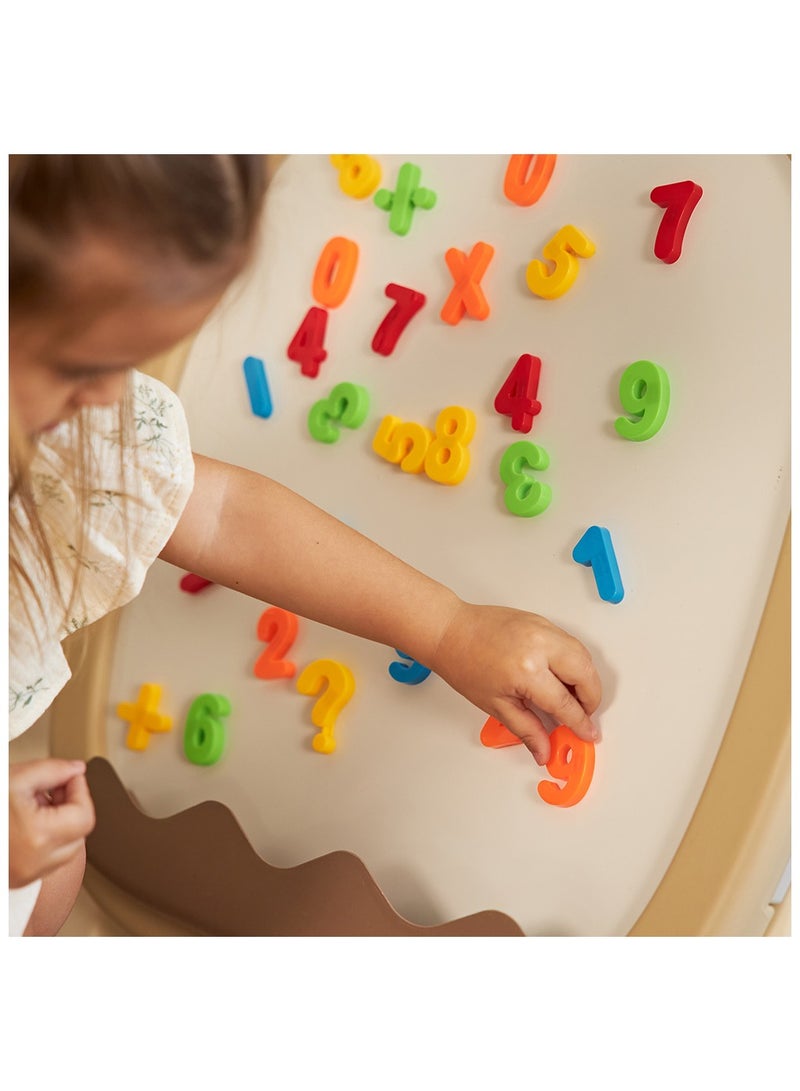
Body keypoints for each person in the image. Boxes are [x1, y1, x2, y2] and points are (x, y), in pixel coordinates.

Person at [8, 155, 603, 937]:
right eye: (81, 364)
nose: (112, 398)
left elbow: (219, 513)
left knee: (57, 871)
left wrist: (449, 627)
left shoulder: (69, 437)